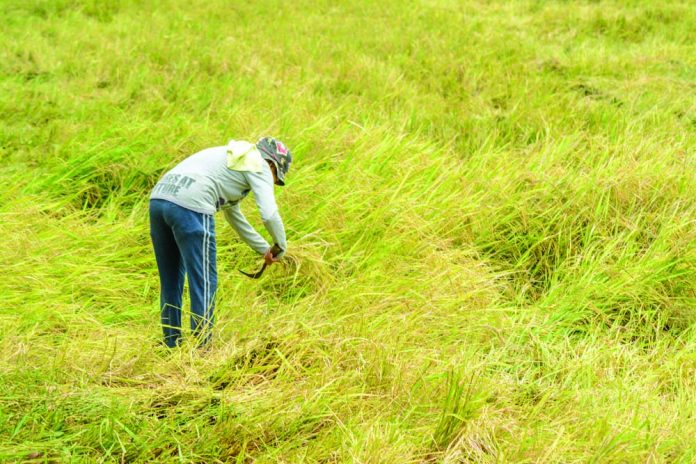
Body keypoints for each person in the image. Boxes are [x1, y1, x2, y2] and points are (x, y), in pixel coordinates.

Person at [149, 137, 292, 348]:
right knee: (205, 281)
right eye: (275, 177)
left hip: (159, 200)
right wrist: (281, 246)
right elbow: (269, 214)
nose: (272, 181)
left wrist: (265, 250)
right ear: (273, 164)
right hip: (191, 204)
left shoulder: (233, 159)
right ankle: (202, 350)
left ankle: (171, 344)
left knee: (171, 279)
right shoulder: (259, 164)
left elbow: (234, 215)